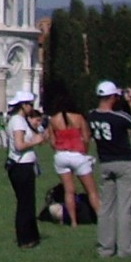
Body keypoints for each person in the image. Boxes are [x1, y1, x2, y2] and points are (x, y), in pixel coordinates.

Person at [86, 81, 131, 258]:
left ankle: (106, 247)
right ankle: (125, 249)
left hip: (105, 163)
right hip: (123, 162)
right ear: (112, 97)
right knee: (125, 207)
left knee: (106, 208)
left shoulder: (91, 115)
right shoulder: (118, 117)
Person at [46, 92, 98, 227]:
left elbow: (52, 141)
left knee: (69, 190)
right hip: (77, 154)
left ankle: (73, 221)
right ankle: (101, 217)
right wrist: (85, 152)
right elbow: (86, 138)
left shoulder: (53, 120)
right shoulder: (78, 118)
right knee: (91, 191)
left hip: (61, 155)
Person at [5, 91, 47, 248]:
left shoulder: (20, 120)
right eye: (29, 104)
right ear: (23, 105)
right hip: (21, 166)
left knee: (28, 202)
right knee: (25, 203)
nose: (31, 107)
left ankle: (31, 236)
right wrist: (35, 142)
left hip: (24, 165)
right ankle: (25, 238)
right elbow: (19, 145)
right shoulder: (18, 121)